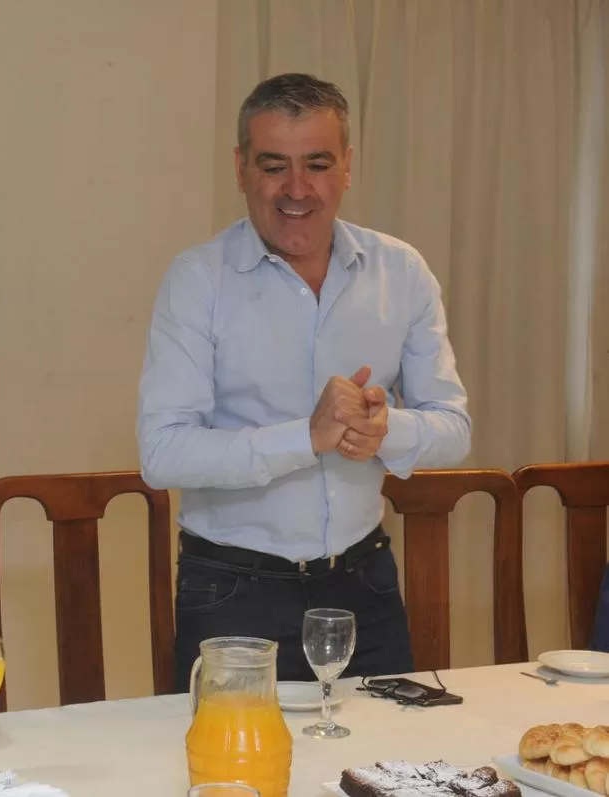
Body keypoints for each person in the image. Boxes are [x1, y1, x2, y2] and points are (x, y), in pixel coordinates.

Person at [137, 73, 471, 691]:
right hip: (234, 592)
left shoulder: (401, 271)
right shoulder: (198, 280)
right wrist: (307, 436)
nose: (296, 189)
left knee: (387, 773)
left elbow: (454, 428)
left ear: (346, 167)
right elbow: (162, 453)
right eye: (273, 166)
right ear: (240, 169)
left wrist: (384, 428)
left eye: (317, 164)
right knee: (234, 778)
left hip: (365, 583)